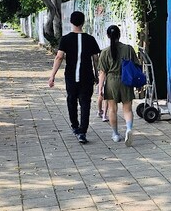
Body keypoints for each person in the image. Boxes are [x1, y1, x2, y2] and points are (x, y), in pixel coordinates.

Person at [48, 11, 101, 144]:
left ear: (71, 22)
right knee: (85, 103)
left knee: (71, 100)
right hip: (86, 76)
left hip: (71, 77)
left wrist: (52, 76)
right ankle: (83, 131)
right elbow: (95, 59)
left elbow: (59, 57)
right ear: (83, 22)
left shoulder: (65, 39)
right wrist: (97, 75)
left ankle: (75, 126)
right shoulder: (90, 39)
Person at [97, 25, 138, 146]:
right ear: (119, 35)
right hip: (127, 80)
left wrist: (100, 88)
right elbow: (136, 65)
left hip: (111, 81)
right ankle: (129, 129)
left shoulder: (105, 52)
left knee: (112, 109)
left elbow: (102, 72)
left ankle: (115, 134)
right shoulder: (128, 49)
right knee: (127, 108)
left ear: (108, 36)